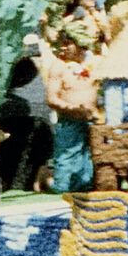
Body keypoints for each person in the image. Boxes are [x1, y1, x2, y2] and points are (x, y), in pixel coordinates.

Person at [44, 30, 99, 193]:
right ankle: (61, 187)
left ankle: (86, 186)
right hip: (69, 120)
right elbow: (51, 99)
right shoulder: (58, 67)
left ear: (81, 44)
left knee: (90, 156)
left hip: (92, 120)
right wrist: (72, 108)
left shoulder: (93, 63)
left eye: (68, 43)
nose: (63, 47)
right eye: (61, 43)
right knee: (66, 155)